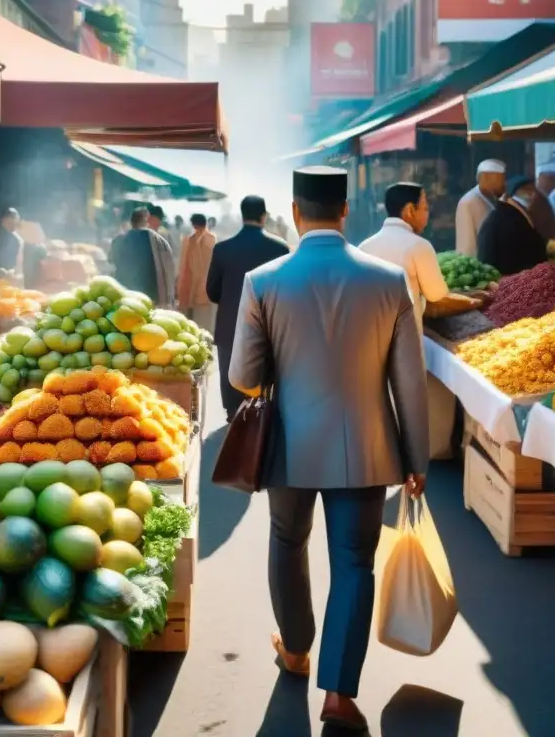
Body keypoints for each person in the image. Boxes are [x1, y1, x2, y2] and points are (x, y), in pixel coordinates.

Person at [229, 166, 428, 731]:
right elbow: (408, 383)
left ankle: (294, 649)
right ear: (345, 212)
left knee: (287, 542)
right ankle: (339, 695)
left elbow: (244, 375)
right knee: (354, 563)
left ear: (295, 212)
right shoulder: (390, 281)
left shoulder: (263, 281)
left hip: (288, 445)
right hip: (366, 448)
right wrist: (416, 458)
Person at [206, 195, 289, 418]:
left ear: (243, 216)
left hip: (230, 326)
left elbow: (212, 292)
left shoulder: (222, 249)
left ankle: (234, 417)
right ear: (264, 217)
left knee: (231, 379)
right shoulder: (279, 248)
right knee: (265, 390)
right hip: (267, 327)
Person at [359, 181, 448, 333]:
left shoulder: (363, 248)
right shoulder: (419, 246)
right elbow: (437, 294)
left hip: (371, 340)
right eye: (425, 208)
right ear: (410, 210)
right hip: (406, 342)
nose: (427, 214)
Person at [477, 175, 549, 276]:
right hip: (512, 283)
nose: (533, 195)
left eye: (533, 190)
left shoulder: (514, 213)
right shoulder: (502, 219)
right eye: (527, 190)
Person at [109, 207, 176, 305]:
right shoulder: (159, 241)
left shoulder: (119, 240)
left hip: (124, 297)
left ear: (131, 222)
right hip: (151, 298)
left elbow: (111, 261)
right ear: (147, 221)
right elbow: (169, 269)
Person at [455, 158, 505, 256]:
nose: (503, 184)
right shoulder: (468, 202)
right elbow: (467, 245)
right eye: (500, 180)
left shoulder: (494, 197)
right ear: (485, 178)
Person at [177, 213, 217, 332]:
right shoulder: (212, 239)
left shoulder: (189, 240)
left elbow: (183, 266)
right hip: (207, 289)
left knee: (191, 325)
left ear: (194, 225)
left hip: (191, 288)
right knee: (205, 324)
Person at [529, 164, 555, 241]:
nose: (554, 185)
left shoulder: (541, 199)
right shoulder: (538, 200)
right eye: (551, 179)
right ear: (540, 178)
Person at [0, 207, 23, 278]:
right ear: (2, 220)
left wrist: (12, 271)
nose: (13, 226)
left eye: (15, 223)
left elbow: (17, 263)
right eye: (10, 222)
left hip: (8, 278)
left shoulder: (16, 240)